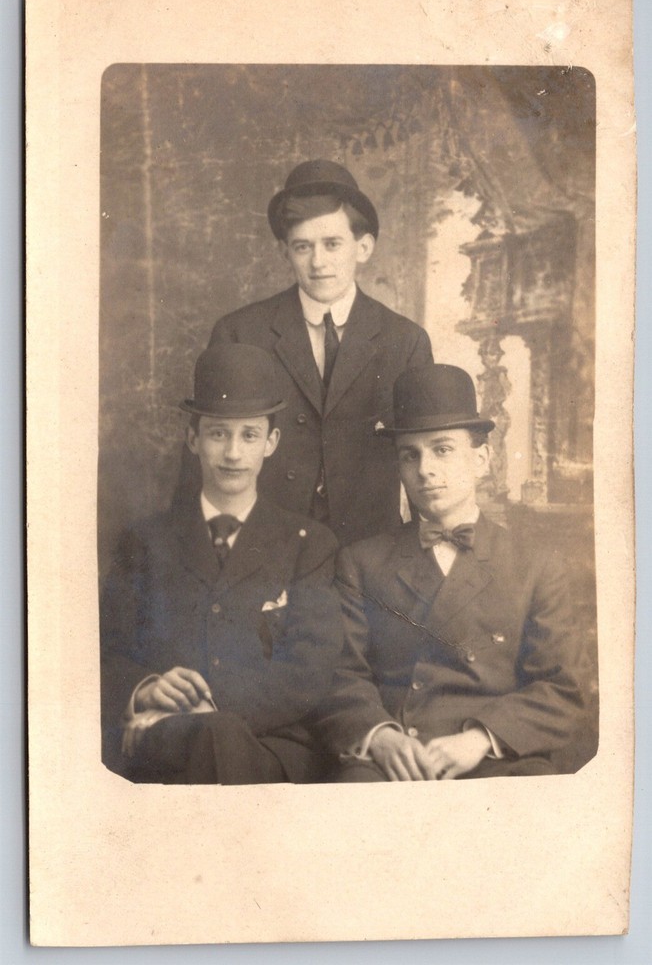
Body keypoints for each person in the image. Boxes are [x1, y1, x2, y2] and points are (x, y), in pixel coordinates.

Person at [316, 363, 586, 781]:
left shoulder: (535, 565)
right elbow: (340, 674)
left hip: (495, 757)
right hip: (394, 760)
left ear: (482, 459)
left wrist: (480, 739)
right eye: (410, 455)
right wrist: (381, 736)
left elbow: (560, 688)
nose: (424, 469)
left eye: (442, 449)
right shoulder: (362, 562)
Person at [100, 343, 344, 785]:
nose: (233, 452)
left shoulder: (310, 546)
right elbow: (106, 653)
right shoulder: (145, 542)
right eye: (218, 434)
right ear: (193, 439)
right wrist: (147, 689)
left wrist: (208, 708)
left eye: (249, 435)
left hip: (269, 748)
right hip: (164, 740)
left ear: (271, 442)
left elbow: (309, 671)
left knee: (219, 737)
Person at [196, 159, 434, 545]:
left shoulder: (405, 341)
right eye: (302, 246)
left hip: (372, 553)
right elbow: (204, 460)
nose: (318, 262)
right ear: (284, 251)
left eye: (332, 244)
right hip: (265, 548)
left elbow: (425, 458)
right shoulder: (240, 332)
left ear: (364, 246)